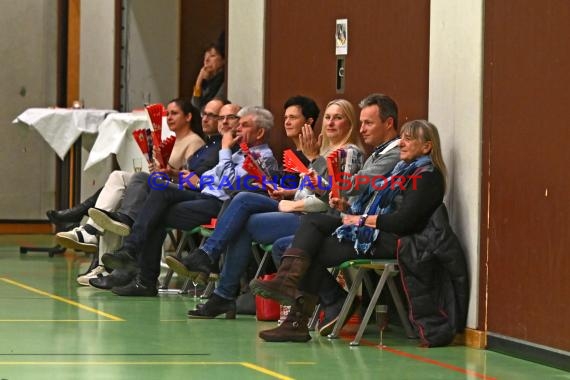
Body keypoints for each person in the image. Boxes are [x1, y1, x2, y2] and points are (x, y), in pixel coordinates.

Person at [250, 119, 449, 343]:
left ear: (427, 147)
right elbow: (380, 205)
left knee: (310, 251)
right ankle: (287, 285)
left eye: (409, 139)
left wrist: (361, 220)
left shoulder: (427, 176)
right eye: (402, 137)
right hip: (374, 231)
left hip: (395, 240)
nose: (402, 143)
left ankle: (296, 319)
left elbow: (404, 222)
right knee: (314, 222)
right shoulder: (402, 171)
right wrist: (347, 208)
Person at [166, 98, 366, 319]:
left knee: (243, 208)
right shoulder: (326, 150)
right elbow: (311, 189)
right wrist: (287, 193)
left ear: (350, 123)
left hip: (320, 218)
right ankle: (216, 281)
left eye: (338, 118)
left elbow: (335, 197)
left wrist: (298, 192)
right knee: (243, 201)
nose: (330, 123)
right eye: (328, 117)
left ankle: (216, 278)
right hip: (302, 208)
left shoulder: (349, 153)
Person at [101, 105, 278, 297]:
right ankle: (131, 252)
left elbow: (229, 185)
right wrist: (178, 176)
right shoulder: (239, 153)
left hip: (222, 206)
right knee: (159, 191)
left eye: (244, 125)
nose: (238, 129)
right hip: (205, 194)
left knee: (155, 213)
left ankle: (142, 274)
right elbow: (210, 178)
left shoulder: (263, 158)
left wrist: (225, 149)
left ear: (260, 132)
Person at [268, 93, 402, 335]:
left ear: (389, 123)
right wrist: (341, 201)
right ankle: (307, 311)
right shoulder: (376, 153)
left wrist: (314, 161)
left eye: (368, 123)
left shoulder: (392, 153)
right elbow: (354, 196)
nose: (362, 129)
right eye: (361, 123)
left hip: (375, 234)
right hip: (357, 223)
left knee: (298, 244)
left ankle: (316, 308)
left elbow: (355, 184)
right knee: (294, 241)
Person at [57, 98, 205, 285]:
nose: (169, 117)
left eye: (174, 113)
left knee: (122, 206)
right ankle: (93, 232)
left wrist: (169, 172)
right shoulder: (171, 139)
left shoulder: (194, 142)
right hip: (157, 186)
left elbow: (190, 179)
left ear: (189, 116)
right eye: (167, 113)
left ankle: (104, 260)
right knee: (117, 183)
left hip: (173, 193)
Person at [87, 98, 229, 290]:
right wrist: (175, 174)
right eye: (213, 115)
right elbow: (199, 176)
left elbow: (222, 183)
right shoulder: (210, 145)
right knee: (139, 183)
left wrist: (184, 177)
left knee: (153, 202)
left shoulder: (222, 147)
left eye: (221, 117)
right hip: (191, 192)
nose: (219, 121)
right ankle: (123, 244)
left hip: (209, 200)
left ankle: (131, 262)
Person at [192, 43, 225, 110]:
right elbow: (195, 105)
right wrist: (199, 81)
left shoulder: (226, 80)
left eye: (212, 56)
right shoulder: (207, 81)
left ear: (223, 60)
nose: (206, 60)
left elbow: (212, 107)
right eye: (205, 57)